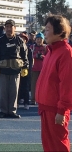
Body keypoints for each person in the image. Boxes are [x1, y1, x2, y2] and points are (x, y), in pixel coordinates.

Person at [36, 15, 72, 152]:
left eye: (48, 29)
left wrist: (62, 110)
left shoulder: (66, 53)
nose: (45, 33)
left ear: (58, 31)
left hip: (55, 108)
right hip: (46, 106)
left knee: (58, 145)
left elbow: (67, 84)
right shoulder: (51, 51)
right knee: (49, 145)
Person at [0, 19, 28, 118]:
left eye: (10, 27)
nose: (8, 29)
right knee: (3, 92)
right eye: (6, 27)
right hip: (2, 70)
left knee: (14, 92)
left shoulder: (20, 40)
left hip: (16, 70)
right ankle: (3, 111)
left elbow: (25, 55)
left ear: (14, 28)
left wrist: (25, 67)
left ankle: (12, 111)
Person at [29, 32, 47, 105]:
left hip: (43, 69)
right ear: (35, 39)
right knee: (34, 84)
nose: (39, 40)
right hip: (34, 68)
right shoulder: (32, 47)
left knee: (43, 84)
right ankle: (33, 99)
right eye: (38, 39)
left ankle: (43, 98)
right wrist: (36, 56)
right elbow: (29, 56)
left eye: (40, 39)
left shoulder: (46, 47)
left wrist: (42, 57)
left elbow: (49, 57)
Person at [17, 32, 31, 110]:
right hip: (18, 69)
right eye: (21, 38)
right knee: (17, 87)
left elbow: (30, 61)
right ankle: (17, 102)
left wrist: (27, 69)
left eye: (24, 38)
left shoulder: (29, 49)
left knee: (25, 87)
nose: (22, 40)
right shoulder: (16, 49)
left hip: (26, 70)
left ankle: (26, 103)